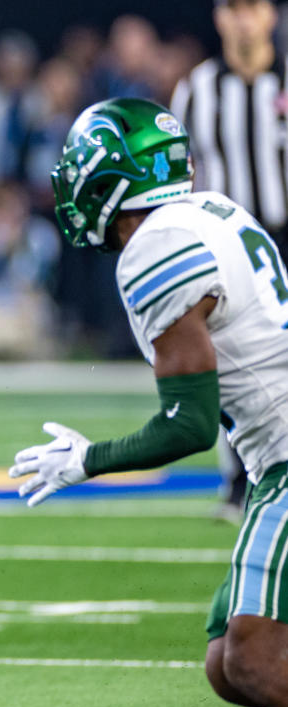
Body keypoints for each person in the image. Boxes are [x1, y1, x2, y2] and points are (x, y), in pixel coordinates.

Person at [10, 97, 288, 707]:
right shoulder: (208, 211)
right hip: (275, 456)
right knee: (226, 666)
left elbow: (189, 424)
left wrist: (89, 460)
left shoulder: (156, 248)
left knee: (252, 660)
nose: (72, 179)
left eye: (82, 162)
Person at [170, 0, 288, 521]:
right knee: (232, 365)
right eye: (233, 8)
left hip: (285, 235)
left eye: (252, 7)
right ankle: (240, 482)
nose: (243, 19)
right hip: (226, 244)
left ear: (272, 17)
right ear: (219, 18)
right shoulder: (195, 89)